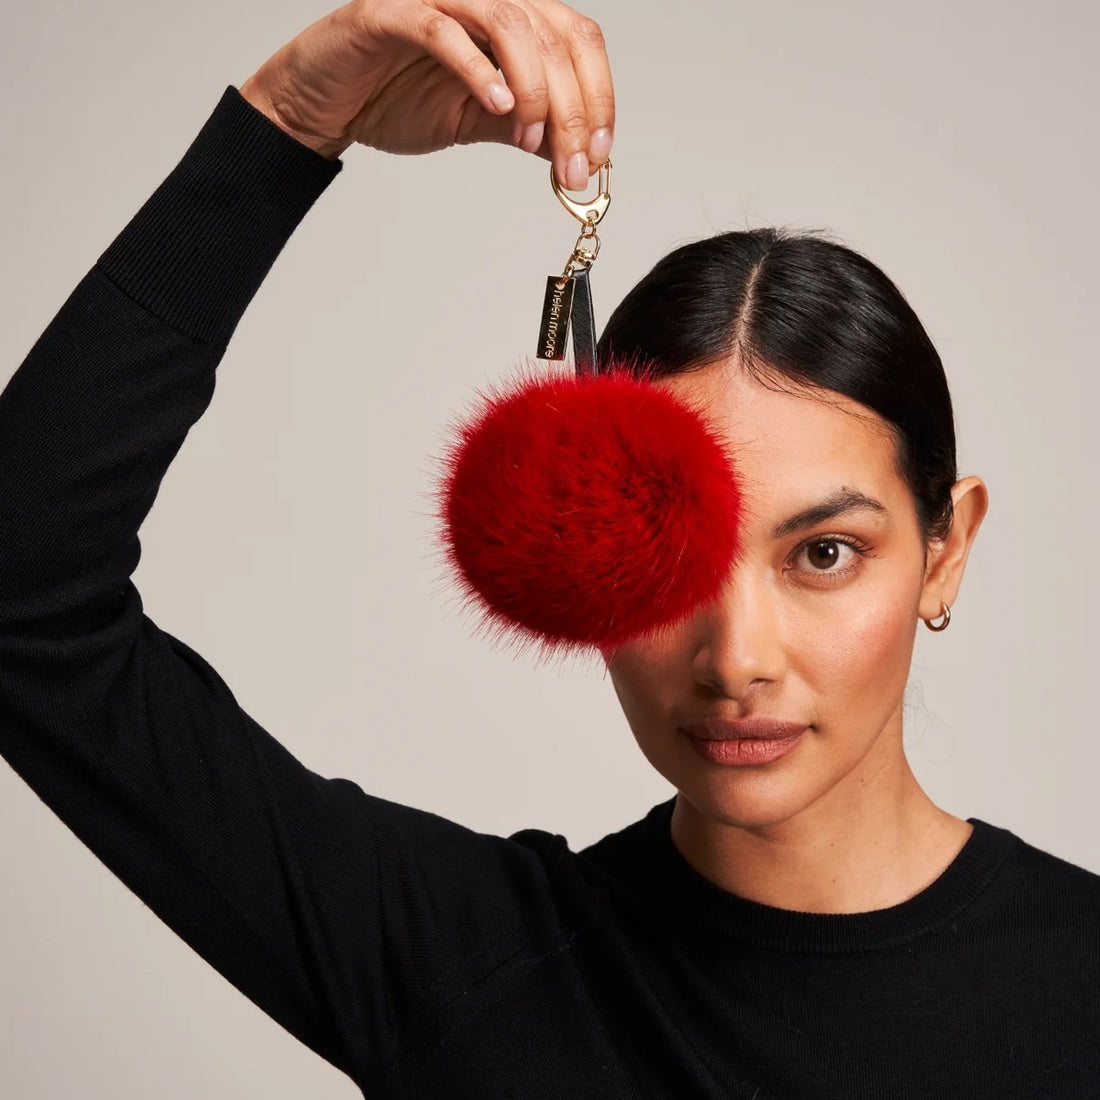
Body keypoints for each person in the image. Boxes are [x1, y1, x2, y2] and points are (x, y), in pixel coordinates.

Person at [1, 1, 1097, 1097]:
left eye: (821, 554)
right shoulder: (467, 966)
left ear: (944, 548)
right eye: (663, 541)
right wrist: (287, 121)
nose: (737, 656)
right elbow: (25, 601)